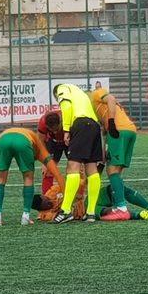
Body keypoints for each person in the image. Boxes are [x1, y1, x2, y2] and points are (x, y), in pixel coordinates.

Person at [0, 127, 66, 226]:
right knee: (28, 178)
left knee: (0, 178)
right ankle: (25, 217)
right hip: (23, 141)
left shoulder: (35, 142)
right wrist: (65, 197)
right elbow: (57, 174)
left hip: (3, 139)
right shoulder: (42, 151)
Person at [51, 83, 103, 224]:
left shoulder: (62, 88)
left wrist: (66, 129)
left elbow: (66, 106)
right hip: (94, 126)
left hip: (81, 124)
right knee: (91, 168)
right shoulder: (80, 93)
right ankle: (90, 213)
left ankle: (66, 210)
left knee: (72, 166)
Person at [89, 82, 139, 221]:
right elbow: (104, 131)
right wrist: (103, 154)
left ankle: (121, 208)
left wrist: (111, 122)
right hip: (130, 130)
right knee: (116, 171)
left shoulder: (95, 95)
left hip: (119, 130)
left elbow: (110, 98)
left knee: (112, 171)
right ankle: (118, 205)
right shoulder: (98, 110)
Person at [37, 109, 67, 194]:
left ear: (60, 122)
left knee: (76, 169)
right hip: (53, 142)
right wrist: (44, 161)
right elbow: (41, 142)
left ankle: (76, 195)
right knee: (48, 170)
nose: (55, 132)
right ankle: (47, 197)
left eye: (57, 129)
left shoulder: (67, 119)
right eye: (51, 130)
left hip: (69, 140)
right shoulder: (42, 123)